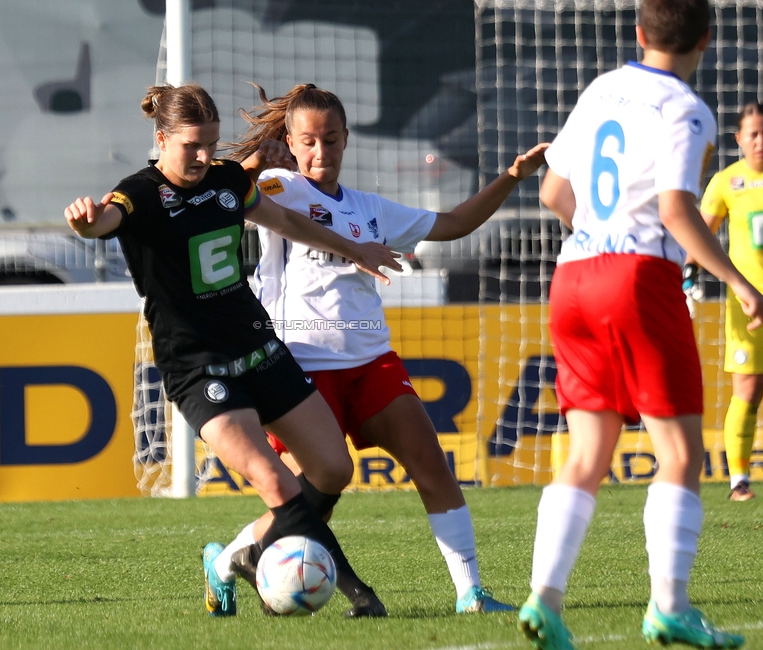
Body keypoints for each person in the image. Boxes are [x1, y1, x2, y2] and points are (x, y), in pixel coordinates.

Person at [204, 82, 547, 615]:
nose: (322, 153)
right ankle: (228, 560)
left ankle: (470, 592)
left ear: (346, 140)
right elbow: (224, 196)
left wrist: (512, 177)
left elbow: (455, 224)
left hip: (371, 363)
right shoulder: (277, 186)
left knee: (431, 465)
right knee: (312, 492)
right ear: (291, 144)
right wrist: (254, 159)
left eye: (333, 140)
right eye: (310, 141)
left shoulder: (370, 208)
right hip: (300, 366)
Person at [64, 83, 405, 618]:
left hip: (257, 346)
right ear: (161, 139)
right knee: (277, 482)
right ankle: (358, 593)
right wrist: (86, 224)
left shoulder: (228, 181)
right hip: (198, 367)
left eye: (211, 145)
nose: (203, 156)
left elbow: (289, 222)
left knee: (335, 469)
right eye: (190, 147)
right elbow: (104, 221)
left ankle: (232, 562)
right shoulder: (139, 193)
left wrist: (354, 247)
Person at [527, 0, 763, 648]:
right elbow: (676, 211)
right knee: (681, 453)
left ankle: (544, 601)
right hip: (637, 281)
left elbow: (554, 192)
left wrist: (594, 239)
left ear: (639, 33)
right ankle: (670, 606)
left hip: (572, 276)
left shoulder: (603, 87)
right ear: (707, 40)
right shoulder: (688, 109)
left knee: (585, 455)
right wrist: (739, 283)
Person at [684, 102, 763, 502]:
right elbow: (700, 233)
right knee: (748, 392)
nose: (760, 140)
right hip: (747, 303)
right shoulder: (724, 182)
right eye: (752, 134)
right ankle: (739, 482)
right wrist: (689, 274)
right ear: (738, 139)